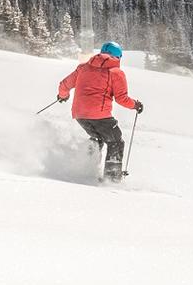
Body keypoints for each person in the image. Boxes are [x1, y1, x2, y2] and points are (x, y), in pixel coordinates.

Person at [57, 41, 142, 181]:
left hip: (79, 114)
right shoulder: (116, 72)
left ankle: (86, 170)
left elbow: (64, 84)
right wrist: (136, 105)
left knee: (97, 139)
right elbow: (121, 98)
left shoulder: (83, 68)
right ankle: (112, 178)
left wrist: (62, 96)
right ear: (118, 57)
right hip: (99, 115)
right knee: (115, 141)